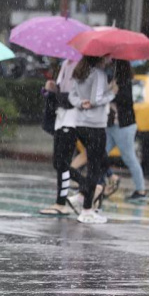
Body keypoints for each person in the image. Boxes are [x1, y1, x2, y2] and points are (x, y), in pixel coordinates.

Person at [69, 55, 117, 224]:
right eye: (106, 57)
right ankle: (87, 209)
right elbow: (97, 100)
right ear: (100, 58)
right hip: (96, 125)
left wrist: (81, 103)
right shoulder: (99, 74)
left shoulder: (80, 72)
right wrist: (111, 93)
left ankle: (83, 199)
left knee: (94, 164)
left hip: (80, 124)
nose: (109, 60)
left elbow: (72, 96)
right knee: (94, 169)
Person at [39, 59, 87, 215]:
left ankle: (84, 190)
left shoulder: (79, 64)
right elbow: (61, 93)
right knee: (58, 163)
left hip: (71, 120)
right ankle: (88, 187)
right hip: (61, 120)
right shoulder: (66, 63)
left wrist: (55, 94)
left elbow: (74, 98)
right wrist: (50, 90)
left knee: (63, 162)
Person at [104, 60, 147, 201]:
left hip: (124, 126)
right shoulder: (113, 78)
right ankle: (102, 182)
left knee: (129, 157)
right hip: (112, 125)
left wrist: (113, 93)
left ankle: (141, 190)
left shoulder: (124, 80)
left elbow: (126, 100)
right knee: (99, 154)